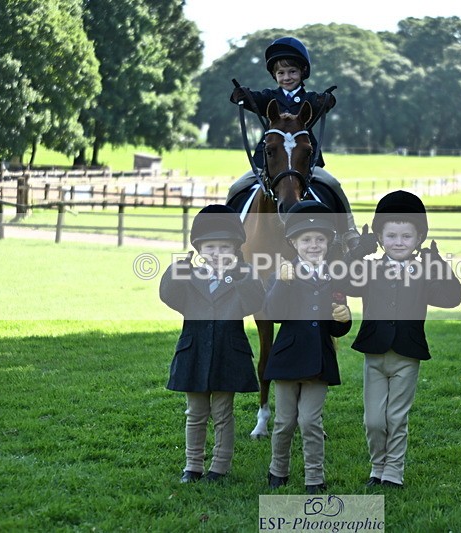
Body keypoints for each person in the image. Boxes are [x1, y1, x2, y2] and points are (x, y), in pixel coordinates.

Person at [343, 190, 461, 488]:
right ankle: (377, 466)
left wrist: (439, 265)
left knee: (396, 417)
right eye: (391, 235)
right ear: (380, 238)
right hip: (375, 353)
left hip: (407, 355)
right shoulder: (369, 269)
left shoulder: (424, 271)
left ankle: (392, 472)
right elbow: (340, 280)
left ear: (419, 238)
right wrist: (358, 251)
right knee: (374, 420)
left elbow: (452, 298)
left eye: (406, 236)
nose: (399, 242)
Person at [159, 204, 265, 483]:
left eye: (224, 248)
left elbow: (255, 301)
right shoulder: (190, 276)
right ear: (199, 250)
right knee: (195, 413)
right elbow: (168, 296)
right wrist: (178, 268)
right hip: (194, 354)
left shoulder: (242, 276)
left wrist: (241, 274)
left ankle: (219, 467)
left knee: (222, 413)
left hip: (227, 355)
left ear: (235, 249)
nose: (217, 254)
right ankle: (192, 466)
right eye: (210, 248)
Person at [228, 36, 359, 247]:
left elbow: (322, 104)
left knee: (333, 184)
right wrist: (240, 96)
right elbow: (253, 99)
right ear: (274, 75)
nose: (287, 77)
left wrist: (327, 101)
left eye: (292, 72)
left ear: (302, 73)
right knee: (236, 188)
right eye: (281, 73)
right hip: (269, 163)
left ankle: (349, 233)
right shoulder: (268, 97)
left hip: (304, 163)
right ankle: (227, 234)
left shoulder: (309, 99)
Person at [262, 200, 352, 495]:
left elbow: (337, 324)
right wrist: (281, 284)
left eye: (319, 240)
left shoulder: (335, 275)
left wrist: (343, 319)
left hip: (319, 360)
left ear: (327, 243)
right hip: (288, 359)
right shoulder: (283, 274)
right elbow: (273, 314)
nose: (313, 245)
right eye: (306, 240)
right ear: (293, 242)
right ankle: (278, 470)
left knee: (311, 421)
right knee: (285, 422)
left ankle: (315, 477)